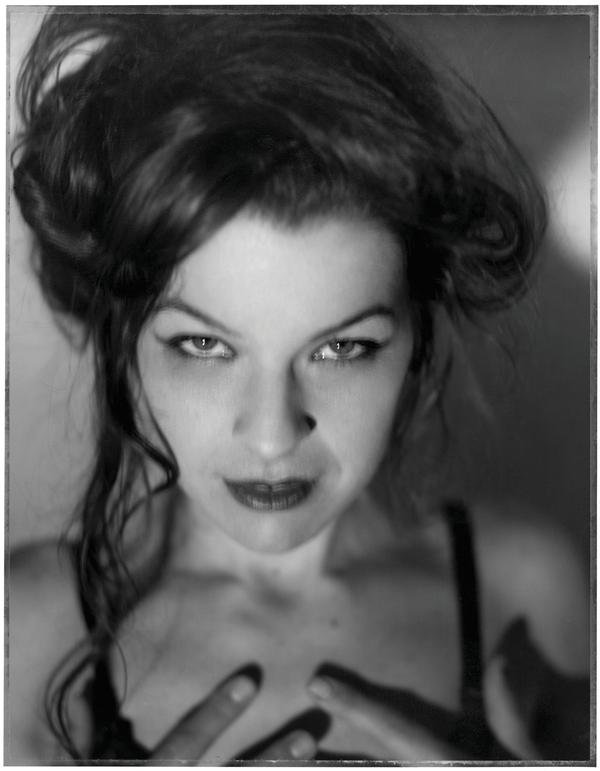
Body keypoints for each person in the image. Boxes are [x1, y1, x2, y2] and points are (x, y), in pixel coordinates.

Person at [8, 9, 589, 764]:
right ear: (126, 340)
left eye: (342, 348)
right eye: (205, 345)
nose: (273, 435)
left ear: (417, 337)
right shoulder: (27, 629)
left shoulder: (525, 593)